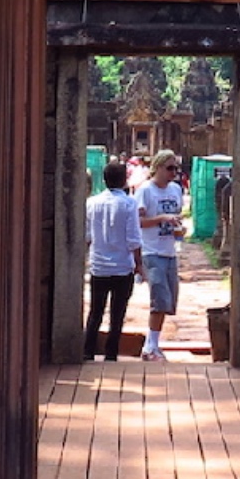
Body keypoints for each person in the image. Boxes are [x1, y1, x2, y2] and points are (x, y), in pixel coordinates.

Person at [82, 159, 139, 361]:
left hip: (98, 266)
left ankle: (87, 351)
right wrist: (139, 265)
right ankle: (111, 354)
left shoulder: (91, 203)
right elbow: (133, 240)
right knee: (117, 315)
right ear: (124, 180)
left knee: (95, 312)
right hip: (123, 266)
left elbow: (87, 237)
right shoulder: (129, 204)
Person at [135, 149, 187, 360]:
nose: (173, 173)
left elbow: (178, 215)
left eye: (176, 168)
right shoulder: (145, 191)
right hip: (151, 250)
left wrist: (179, 228)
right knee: (160, 299)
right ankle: (149, 347)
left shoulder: (175, 189)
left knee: (169, 301)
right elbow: (137, 222)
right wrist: (160, 219)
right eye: (169, 168)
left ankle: (154, 344)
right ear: (157, 167)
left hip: (169, 251)